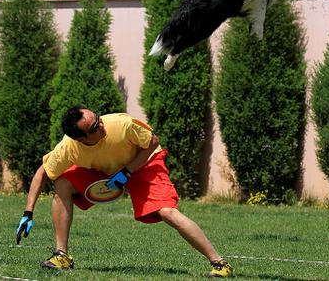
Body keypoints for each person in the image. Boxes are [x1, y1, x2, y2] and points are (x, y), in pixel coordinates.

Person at [15, 106, 234, 278]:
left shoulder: (122, 124)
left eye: (98, 119)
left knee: (167, 211)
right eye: (93, 128)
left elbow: (152, 142)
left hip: (144, 162)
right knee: (62, 183)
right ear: (80, 139)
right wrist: (28, 212)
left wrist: (127, 172)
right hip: (107, 169)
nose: (101, 126)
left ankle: (220, 264)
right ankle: (61, 256)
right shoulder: (68, 148)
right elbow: (43, 173)